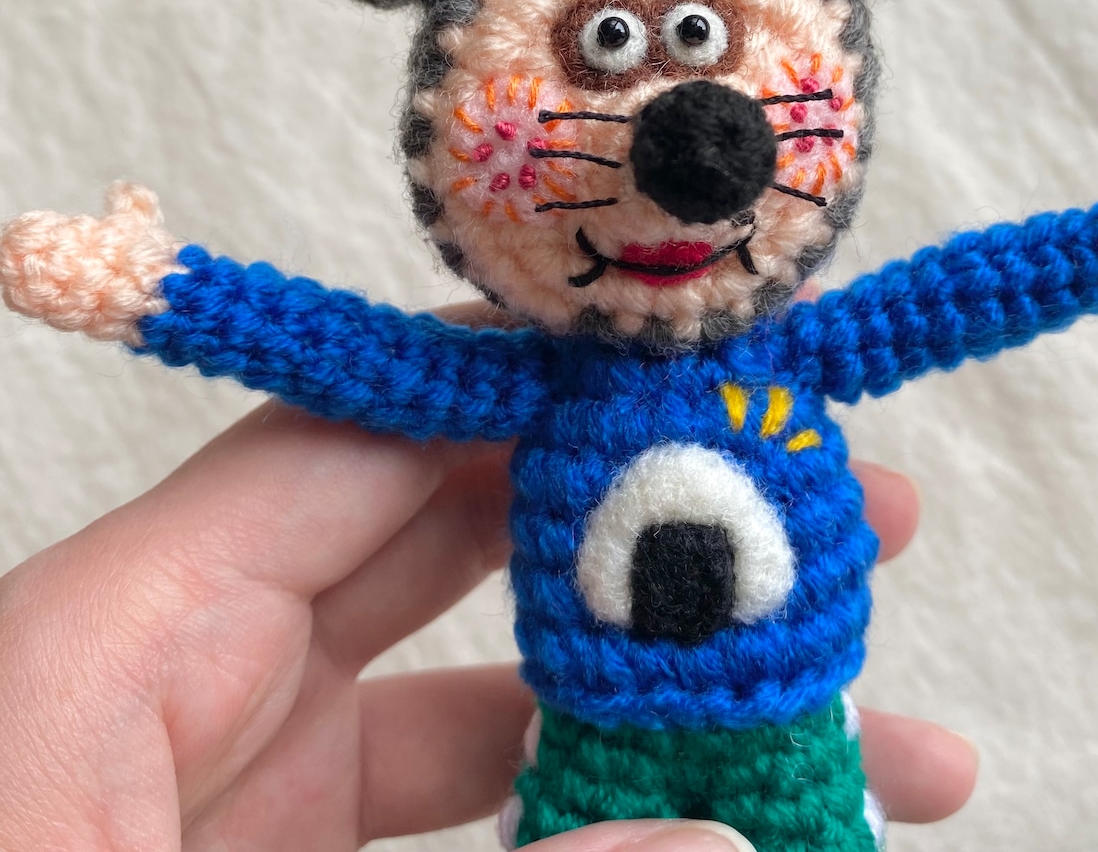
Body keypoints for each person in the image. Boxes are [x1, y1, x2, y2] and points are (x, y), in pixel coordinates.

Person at [0, 303, 976, 852]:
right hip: (598, 728)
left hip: (782, 723)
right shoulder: (550, 372)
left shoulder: (795, 349)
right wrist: (158, 293)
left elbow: (958, 299)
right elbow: (355, 356)